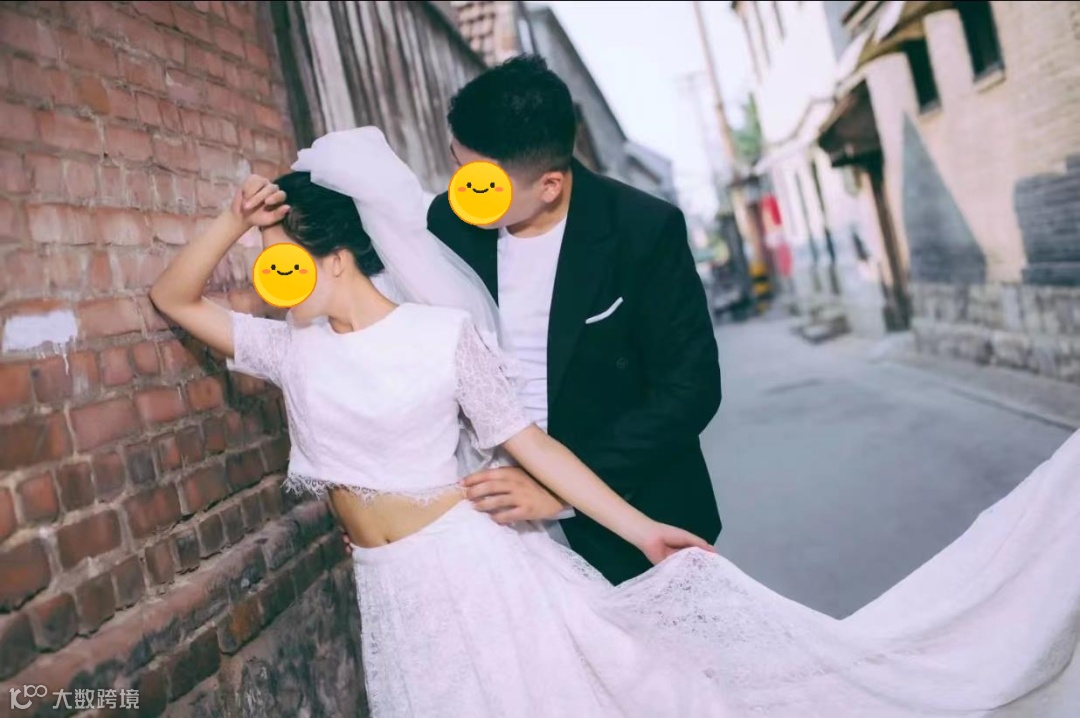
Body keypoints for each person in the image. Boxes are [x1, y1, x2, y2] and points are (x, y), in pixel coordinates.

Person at [150, 127, 1080, 717]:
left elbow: (532, 445)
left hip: (475, 571)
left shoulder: (441, 338)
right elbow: (174, 296)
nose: (266, 282)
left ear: (336, 257)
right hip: (388, 591)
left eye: (278, 260)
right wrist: (235, 221)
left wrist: (640, 530)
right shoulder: (292, 351)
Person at [406, 55, 725, 585]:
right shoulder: (447, 223)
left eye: (479, 180)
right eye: (458, 167)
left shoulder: (642, 230)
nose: (460, 188)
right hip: (494, 523)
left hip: (631, 516)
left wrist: (558, 491)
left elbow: (690, 391)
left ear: (549, 184)